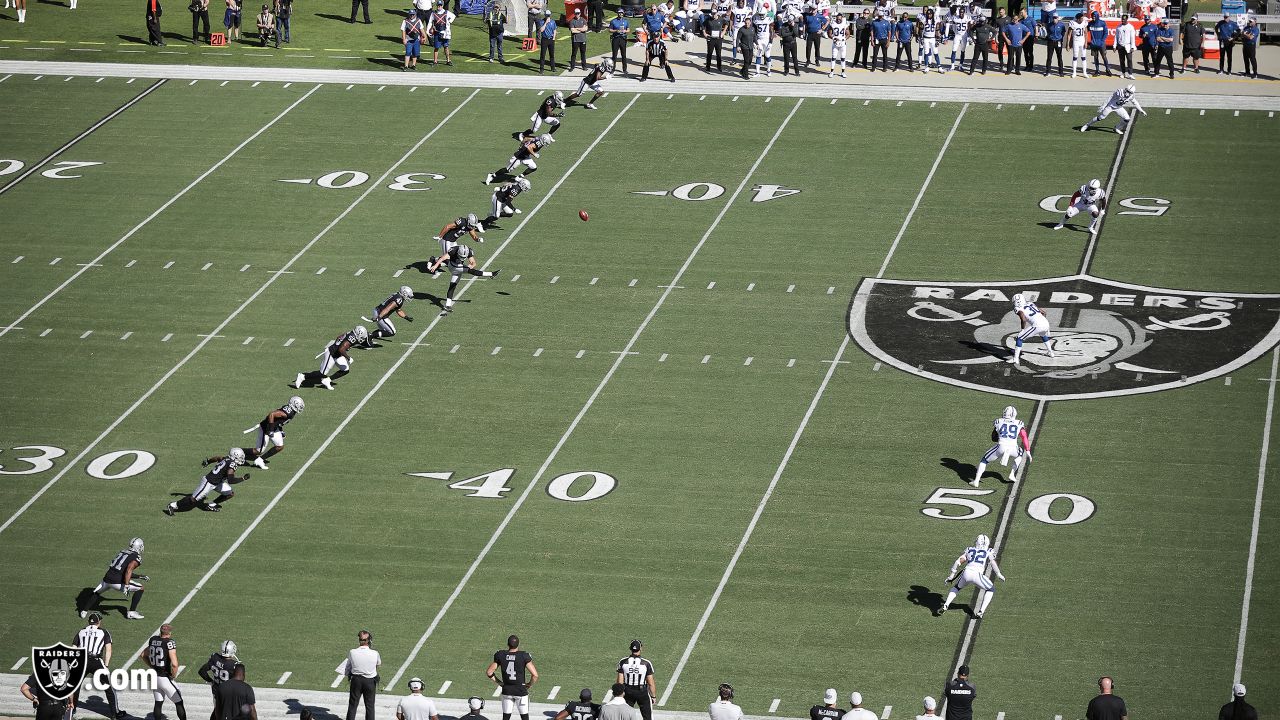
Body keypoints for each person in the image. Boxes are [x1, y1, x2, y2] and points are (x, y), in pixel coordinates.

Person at [73, 612, 125, 720]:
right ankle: (115, 713)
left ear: (89, 621)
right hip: (96, 661)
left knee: (75, 686)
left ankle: (71, 708)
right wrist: (106, 665)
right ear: (99, 622)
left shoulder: (81, 631)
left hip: (82, 660)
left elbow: (73, 648)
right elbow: (108, 650)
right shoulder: (103, 632)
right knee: (109, 687)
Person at [164, 449, 249, 515]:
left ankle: (211, 505)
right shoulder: (232, 465)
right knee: (193, 500)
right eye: (240, 457)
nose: (241, 459)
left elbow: (217, 458)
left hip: (217, 482)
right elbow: (231, 480)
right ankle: (172, 505)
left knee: (230, 493)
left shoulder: (226, 458)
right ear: (235, 456)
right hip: (209, 482)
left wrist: (208, 461)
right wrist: (243, 478)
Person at [79, 537, 147, 620]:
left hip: (107, 578)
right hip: (117, 581)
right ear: (139, 546)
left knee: (97, 592)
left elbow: (121, 569)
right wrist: (126, 585)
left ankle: (84, 611)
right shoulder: (136, 557)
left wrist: (139, 576)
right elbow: (128, 570)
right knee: (140, 588)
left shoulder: (122, 551)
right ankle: (131, 612)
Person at [939, 535, 1006, 618]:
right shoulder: (989, 551)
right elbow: (992, 562)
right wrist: (998, 574)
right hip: (977, 574)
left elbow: (958, 562)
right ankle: (981, 612)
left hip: (966, 572)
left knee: (956, 588)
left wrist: (951, 576)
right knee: (991, 589)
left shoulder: (970, 549)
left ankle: (946, 605)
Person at [971, 405, 1031, 487]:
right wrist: (1028, 450)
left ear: (1005, 413)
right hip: (1013, 448)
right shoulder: (1019, 423)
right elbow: (1024, 436)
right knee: (1020, 452)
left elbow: (993, 437)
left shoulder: (999, 421)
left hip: (1001, 446)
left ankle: (976, 481)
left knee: (984, 460)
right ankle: (1012, 473)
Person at [486, 635, 538, 720]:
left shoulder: (501, 655)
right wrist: (529, 684)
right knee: (525, 717)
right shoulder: (524, 656)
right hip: (520, 691)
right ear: (518, 644)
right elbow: (535, 675)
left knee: (506, 717)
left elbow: (489, 672)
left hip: (507, 690)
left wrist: (500, 683)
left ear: (507, 644)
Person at [143, 625, 189, 720]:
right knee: (179, 702)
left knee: (158, 702)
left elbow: (143, 655)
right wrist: (173, 675)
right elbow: (175, 664)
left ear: (160, 632)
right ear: (170, 633)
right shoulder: (169, 642)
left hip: (154, 677)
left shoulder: (153, 639)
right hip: (164, 678)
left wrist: (151, 666)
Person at [298, 326, 366, 390]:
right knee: (322, 373)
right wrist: (348, 358)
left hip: (338, 354)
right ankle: (303, 376)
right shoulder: (352, 338)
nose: (362, 339)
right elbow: (341, 349)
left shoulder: (350, 333)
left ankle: (327, 380)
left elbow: (339, 337)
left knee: (345, 369)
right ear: (358, 334)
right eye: (362, 337)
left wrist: (336, 345)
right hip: (332, 354)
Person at [245, 396, 304, 469]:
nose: (300, 408)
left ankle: (260, 460)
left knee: (279, 446)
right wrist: (271, 430)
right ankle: (239, 452)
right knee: (258, 451)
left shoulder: (291, 412)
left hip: (274, 428)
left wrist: (281, 430)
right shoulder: (288, 412)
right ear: (293, 405)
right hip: (265, 429)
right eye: (298, 406)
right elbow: (272, 414)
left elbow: (279, 421)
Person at [486, 133, 554, 184]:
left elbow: (526, 138)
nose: (546, 144)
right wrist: (534, 154)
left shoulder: (536, 138)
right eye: (546, 142)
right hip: (519, 157)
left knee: (533, 167)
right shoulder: (538, 143)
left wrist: (521, 145)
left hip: (525, 156)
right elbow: (529, 147)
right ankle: (492, 175)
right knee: (507, 170)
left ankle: (519, 177)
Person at [343, 630, 380, 720]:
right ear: (368, 641)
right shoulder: (375, 653)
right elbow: (378, 664)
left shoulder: (352, 652)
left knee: (353, 705)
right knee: (370, 706)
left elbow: (349, 666)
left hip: (356, 680)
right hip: (370, 681)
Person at [1081, 83, 1145, 134]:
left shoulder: (1131, 96)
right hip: (1110, 106)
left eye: (1130, 92)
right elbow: (1110, 98)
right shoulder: (1119, 92)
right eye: (1127, 91)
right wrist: (1103, 106)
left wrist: (1141, 110)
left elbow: (1135, 103)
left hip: (1119, 107)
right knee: (1100, 118)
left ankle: (1117, 128)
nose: (1128, 93)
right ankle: (1087, 125)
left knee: (1127, 119)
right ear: (1125, 89)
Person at [198, 641, 239, 720]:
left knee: (217, 712)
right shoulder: (234, 665)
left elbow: (202, 671)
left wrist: (211, 681)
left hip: (216, 691)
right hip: (228, 694)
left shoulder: (214, 657)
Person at [618, 640, 657, 720]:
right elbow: (651, 683)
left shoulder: (623, 662)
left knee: (625, 716)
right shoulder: (646, 663)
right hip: (642, 692)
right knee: (648, 717)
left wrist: (620, 695)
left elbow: (620, 682)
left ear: (630, 649)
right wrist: (653, 696)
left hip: (628, 691)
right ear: (641, 648)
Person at [428, 1, 455, 65]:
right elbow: (430, 22)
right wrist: (429, 30)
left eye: (440, 5)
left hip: (445, 32)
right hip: (437, 32)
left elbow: (453, 16)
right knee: (436, 47)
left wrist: (449, 21)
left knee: (446, 46)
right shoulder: (433, 13)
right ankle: (435, 61)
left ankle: (448, 60)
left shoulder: (446, 12)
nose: (439, 6)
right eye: (438, 5)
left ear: (442, 6)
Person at [946, 5, 971, 71]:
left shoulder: (967, 17)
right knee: (954, 50)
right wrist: (955, 33)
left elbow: (970, 26)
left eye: (962, 12)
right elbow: (953, 27)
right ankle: (952, 66)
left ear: (964, 12)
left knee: (963, 51)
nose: (961, 14)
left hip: (964, 35)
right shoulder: (955, 18)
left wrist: (968, 35)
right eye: (960, 12)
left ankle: (960, 65)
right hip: (957, 35)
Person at [826, 12, 847, 76]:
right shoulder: (833, 24)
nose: (838, 20)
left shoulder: (845, 24)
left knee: (843, 58)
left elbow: (848, 34)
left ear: (842, 19)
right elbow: (829, 34)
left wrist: (844, 39)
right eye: (837, 19)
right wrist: (834, 38)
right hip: (835, 43)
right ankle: (831, 72)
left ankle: (843, 72)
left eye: (840, 19)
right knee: (833, 57)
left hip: (843, 43)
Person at [1114, 13, 1134, 77]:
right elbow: (1116, 37)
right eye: (1122, 19)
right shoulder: (1118, 27)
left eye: (1124, 19)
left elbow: (1132, 37)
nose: (1122, 21)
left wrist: (1132, 47)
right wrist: (1114, 46)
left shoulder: (1130, 27)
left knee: (1129, 60)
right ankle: (1123, 73)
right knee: (1122, 60)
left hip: (1128, 46)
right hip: (1120, 46)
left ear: (1127, 19)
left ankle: (1130, 74)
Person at [1067, 12, 1088, 76]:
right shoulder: (1073, 23)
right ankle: (1074, 73)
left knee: (1083, 57)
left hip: (1082, 41)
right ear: (1078, 19)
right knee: (1075, 57)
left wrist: (1086, 42)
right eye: (1081, 18)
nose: (1082, 19)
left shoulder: (1084, 23)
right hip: (1076, 42)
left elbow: (1086, 33)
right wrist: (1068, 44)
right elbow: (1069, 35)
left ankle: (1084, 72)